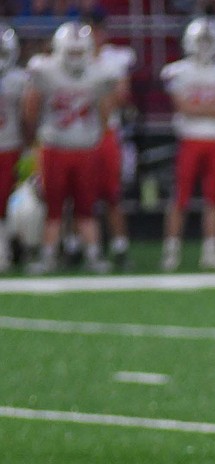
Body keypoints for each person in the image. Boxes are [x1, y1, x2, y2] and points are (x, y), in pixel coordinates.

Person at [22, 20, 118, 275]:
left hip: (84, 148)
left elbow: (106, 110)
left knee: (86, 207)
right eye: (71, 52)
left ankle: (93, 255)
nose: (75, 57)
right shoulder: (45, 70)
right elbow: (32, 107)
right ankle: (49, 256)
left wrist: (96, 134)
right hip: (55, 147)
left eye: (79, 52)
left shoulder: (99, 73)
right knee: (53, 207)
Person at [161, 16, 215, 272]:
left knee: (213, 199)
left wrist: (199, 108)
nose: (205, 45)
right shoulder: (178, 70)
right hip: (190, 141)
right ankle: (171, 251)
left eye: (209, 40)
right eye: (201, 40)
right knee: (179, 198)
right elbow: (183, 106)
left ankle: (210, 251)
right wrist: (214, 109)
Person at [87, 11, 134, 270]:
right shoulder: (73, 57)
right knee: (79, 195)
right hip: (78, 135)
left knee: (112, 193)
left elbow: (121, 98)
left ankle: (119, 245)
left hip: (106, 133)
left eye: (97, 29)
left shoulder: (114, 59)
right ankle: (78, 245)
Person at [0, 23, 28, 272]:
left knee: (9, 203)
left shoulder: (19, 80)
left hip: (10, 146)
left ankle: (8, 249)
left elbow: (28, 116)